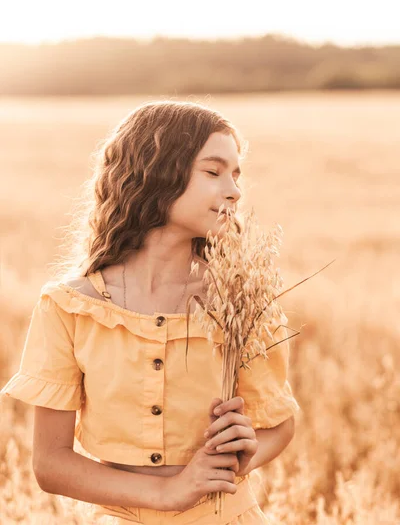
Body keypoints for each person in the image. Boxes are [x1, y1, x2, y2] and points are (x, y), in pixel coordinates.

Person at [0, 100, 301, 524]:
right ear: (156, 173)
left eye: (236, 175)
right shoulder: (69, 308)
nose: (234, 189)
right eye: (213, 172)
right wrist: (167, 492)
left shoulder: (240, 302)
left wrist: (244, 454)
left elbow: (280, 425)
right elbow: (50, 464)